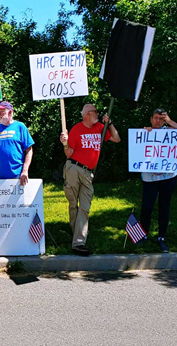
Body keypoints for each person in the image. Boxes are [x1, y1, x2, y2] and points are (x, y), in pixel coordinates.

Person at [59, 104, 120, 256]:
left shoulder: (100, 127)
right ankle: (77, 236)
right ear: (87, 114)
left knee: (85, 207)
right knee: (73, 204)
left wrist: (110, 124)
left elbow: (116, 139)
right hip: (73, 168)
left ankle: (78, 242)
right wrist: (64, 143)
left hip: (88, 173)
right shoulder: (76, 129)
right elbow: (69, 153)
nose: (98, 114)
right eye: (95, 112)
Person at [139, 108, 177, 253]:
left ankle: (161, 237)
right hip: (149, 178)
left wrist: (170, 121)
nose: (158, 121)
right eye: (156, 118)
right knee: (147, 206)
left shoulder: (169, 132)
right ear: (151, 119)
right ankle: (143, 234)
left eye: (161, 118)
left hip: (168, 177)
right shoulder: (145, 133)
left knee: (164, 207)